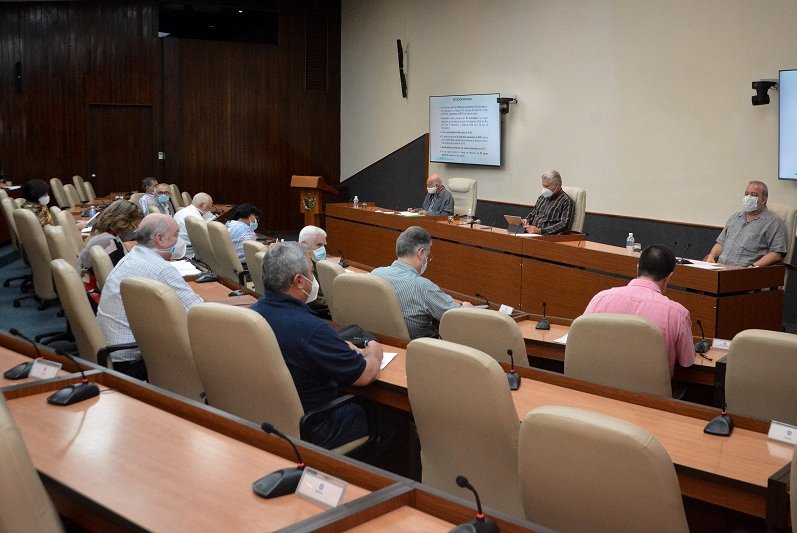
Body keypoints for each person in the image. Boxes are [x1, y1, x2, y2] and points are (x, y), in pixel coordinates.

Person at [249, 242, 395, 464]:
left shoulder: (254, 314)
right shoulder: (310, 328)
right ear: (299, 280)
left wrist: (339, 346)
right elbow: (365, 375)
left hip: (265, 418)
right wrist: (374, 350)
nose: (313, 278)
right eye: (311, 272)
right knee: (392, 419)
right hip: (314, 426)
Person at [97, 213, 203, 380]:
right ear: (160, 239)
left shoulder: (133, 256)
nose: (179, 240)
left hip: (113, 353)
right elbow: (198, 313)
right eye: (175, 235)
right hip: (131, 361)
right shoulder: (161, 269)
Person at [583, 245, 695, 376]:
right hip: (649, 396)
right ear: (669, 277)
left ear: (637, 268)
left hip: (598, 389)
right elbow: (687, 362)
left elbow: (583, 342)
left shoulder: (601, 298)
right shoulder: (677, 314)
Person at [371, 226, 472, 339]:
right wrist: (466, 307)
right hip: (420, 349)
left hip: (384, 341)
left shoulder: (375, 274)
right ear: (421, 253)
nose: (427, 259)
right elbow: (457, 317)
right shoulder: (423, 287)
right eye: (428, 255)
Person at [704, 180, 787, 267]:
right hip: (720, 268)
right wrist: (711, 256)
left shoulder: (773, 222)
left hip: (745, 272)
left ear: (763, 201)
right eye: (746, 194)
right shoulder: (735, 217)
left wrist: (753, 267)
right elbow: (721, 243)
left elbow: (777, 253)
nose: (748, 197)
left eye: (754, 195)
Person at [78, 200, 142, 271]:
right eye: (134, 227)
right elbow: (123, 271)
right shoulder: (111, 242)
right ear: (123, 221)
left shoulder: (101, 233)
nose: (133, 231)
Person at [523, 170, 573, 235]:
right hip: (532, 234)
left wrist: (540, 231)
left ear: (557, 185)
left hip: (548, 237)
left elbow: (564, 224)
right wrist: (527, 219)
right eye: (543, 186)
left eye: (547, 186)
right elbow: (534, 212)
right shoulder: (542, 197)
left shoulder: (566, 201)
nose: (544, 189)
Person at [298, 225, 330, 318]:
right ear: (303, 244)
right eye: (319, 245)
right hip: (314, 314)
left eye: (324, 245)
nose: (323, 249)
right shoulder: (303, 265)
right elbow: (316, 301)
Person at [173, 192, 214, 258]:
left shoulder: (181, 211)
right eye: (209, 207)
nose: (210, 210)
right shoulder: (197, 219)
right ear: (202, 205)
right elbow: (205, 244)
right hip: (189, 253)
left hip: (177, 248)